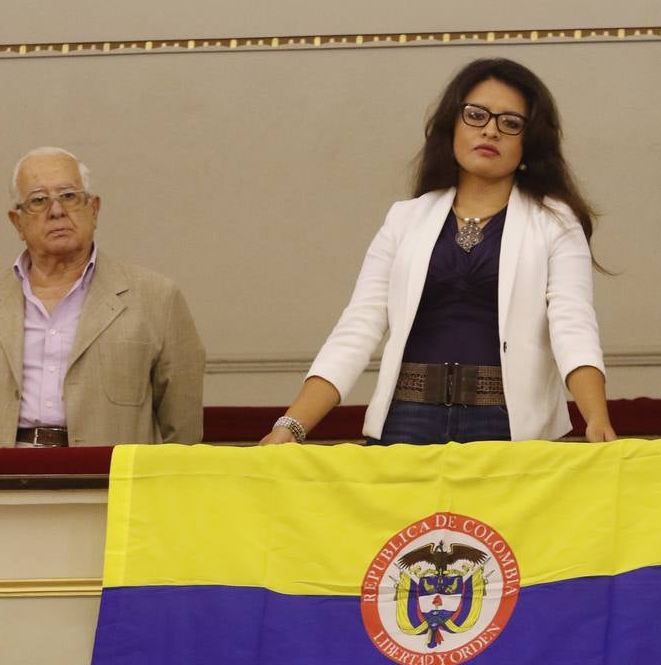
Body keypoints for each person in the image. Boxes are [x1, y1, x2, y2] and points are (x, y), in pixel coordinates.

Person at [261, 58, 615, 446]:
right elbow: (357, 328)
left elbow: (573, 325)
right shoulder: (404, 219)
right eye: (476, 115)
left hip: (507, 428)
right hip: (406, 422)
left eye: (510, 123)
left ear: (530, 142)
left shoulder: (555, 223)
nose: (491, 131)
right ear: (452, 126)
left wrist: (596, 419)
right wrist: (291, 425)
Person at [0, 147, 205, 448]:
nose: (56, 211)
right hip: (2, 484)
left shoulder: (157, 298)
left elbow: (181, 428)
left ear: (94, 209)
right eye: (38, 200)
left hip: (105, 481)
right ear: (17, 222)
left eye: (69, 196)